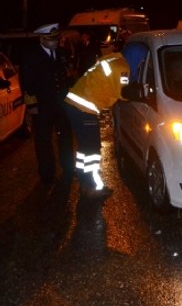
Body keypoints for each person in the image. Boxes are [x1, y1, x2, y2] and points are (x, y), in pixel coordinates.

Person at [63, 51, 130, 197]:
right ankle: (94, 186)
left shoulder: (113, 60)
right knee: (92, 150)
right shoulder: (123, 68)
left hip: (74, 104)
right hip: (84, 108)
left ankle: (84, 180)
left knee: (86, 147)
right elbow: (124, 93)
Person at [20, 23, 75, 185]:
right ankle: (47, 174)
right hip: (42, 106)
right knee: (43, 141)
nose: (55, 42)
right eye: (51, 40)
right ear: (42, 39)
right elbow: (26, 83)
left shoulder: (61, 53)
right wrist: (32, 106)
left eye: (56, 39)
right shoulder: (31, 56)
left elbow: (67, 77)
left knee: (65, 137)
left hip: (62, 104)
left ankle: (68, 168)